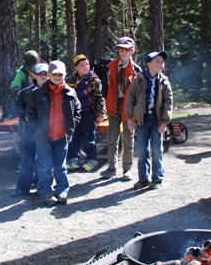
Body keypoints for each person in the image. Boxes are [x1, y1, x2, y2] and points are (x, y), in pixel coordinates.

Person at [27, 60, 81, 206]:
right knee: (44, 166)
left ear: (64, 75)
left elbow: (77, 111)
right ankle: (45, 192)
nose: (58, 76)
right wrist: (38, 129)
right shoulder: (37, 93)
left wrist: (71, 126)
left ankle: (62, 190)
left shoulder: (70, 92)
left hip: (62, 136)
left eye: (60, 74)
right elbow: (30, 114)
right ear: (49, 74)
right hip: (43, 137)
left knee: (61, 166)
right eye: (54, 73)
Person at [125, 50, 173, 190]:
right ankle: (143, 179)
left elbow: (168, 102)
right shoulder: (139, 79)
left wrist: (165, 122)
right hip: (142, 119)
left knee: (157, 150)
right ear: (149, 64)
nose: (161, 64)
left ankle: (157, 178)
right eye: (157, 61)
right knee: (141, 151)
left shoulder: (164, 81)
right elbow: (131, 100)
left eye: (162, 61)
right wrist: (129, 118)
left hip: (157, 120)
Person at [102, 37, 142, 180]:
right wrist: (105, 104)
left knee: (128, 138)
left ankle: (127, 169)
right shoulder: (111, 67)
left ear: (132, 50)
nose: (123, 52)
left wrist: (136, 111)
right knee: (112, 138)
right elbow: (105, 88)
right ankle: (112, 168)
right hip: (114, 106)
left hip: (129, 107)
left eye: (126, 49)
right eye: (120, 49)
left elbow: (140, 93)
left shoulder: (136, 69)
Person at [12, 62, 49, 198]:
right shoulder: (26, 92)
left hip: (45, 132)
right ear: (35, 76)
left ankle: (42, 186)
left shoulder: (53, 92)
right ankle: (23, 188)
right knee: (27, 160)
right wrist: (24, 116)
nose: (44, 76)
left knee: (43, 160)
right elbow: (18, 107)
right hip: (28, 132)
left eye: (46, 74)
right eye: (41, 74)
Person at [66, 54, 106, 172]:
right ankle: (73, 159)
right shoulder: (70, 80)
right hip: (74, 114)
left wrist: (101, 113)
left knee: (89, 137)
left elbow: (100, 98)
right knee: (74, 137)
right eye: (82, 65)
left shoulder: (94, 80)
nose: (85, 67)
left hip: (88, 112)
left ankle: (91, 159)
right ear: (76, 68)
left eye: (87, 65)